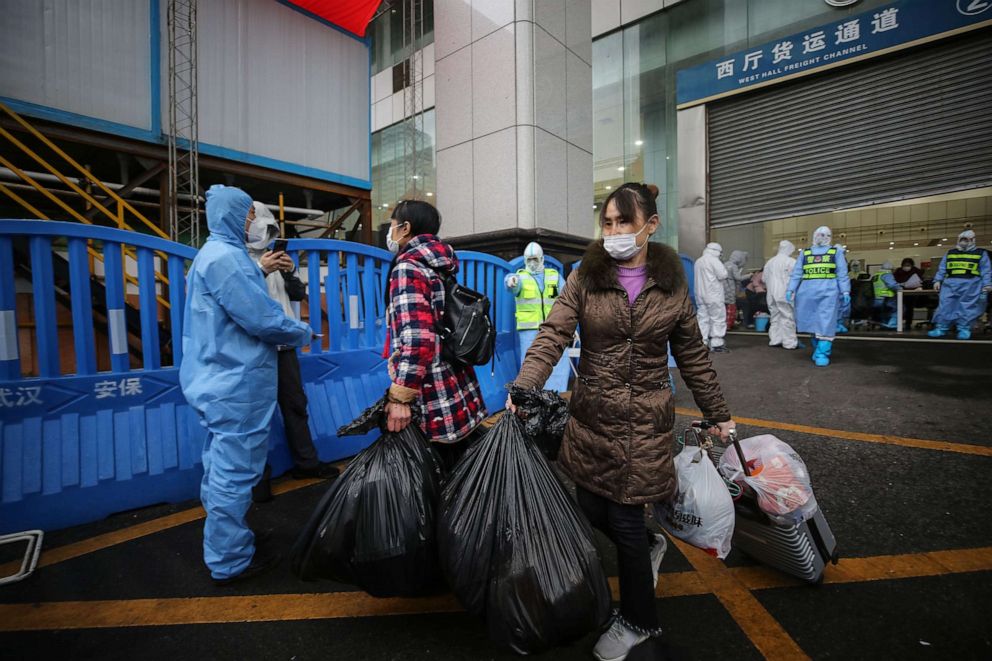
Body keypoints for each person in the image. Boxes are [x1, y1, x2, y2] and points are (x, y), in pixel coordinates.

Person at [508, 182, 736, 661]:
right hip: (591, 417)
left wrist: (719, 415)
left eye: (623, 223)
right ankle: (654, 545)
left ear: (649, 226)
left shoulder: (672, 285)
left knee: (626, 522)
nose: (612, 232)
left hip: (644, 423)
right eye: (607, 222)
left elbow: (692, 353)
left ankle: (640, 623)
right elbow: (553, 332)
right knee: (589, 510)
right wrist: (527, 385)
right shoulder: (585, 277)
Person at [180, 185, 312, 585]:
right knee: (234, 471)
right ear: (235, 216)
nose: (255, 223)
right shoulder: (227, 259)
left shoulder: (215, 255)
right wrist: (301, 331)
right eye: (251, 215)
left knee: (222, 466)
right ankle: (229, 559)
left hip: (218, 379)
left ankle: (232, 540)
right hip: (234, 382)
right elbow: (262, 319)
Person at [382, 199, 487, 470]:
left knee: (432, 477)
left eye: (392, 225)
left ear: (405, 228)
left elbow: (418, 339)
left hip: (431, 391)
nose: (390, 231)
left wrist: (400, 396)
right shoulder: (441, 265)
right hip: (458, 383)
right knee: (460, 472)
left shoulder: (409, 268)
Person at [245, 202, 340, 492]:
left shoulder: (275, 255)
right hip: (254, 347)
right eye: (250, 216)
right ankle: (257, 479)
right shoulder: (234, 258)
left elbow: (298, 295)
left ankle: (306, 464)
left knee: (295, 405)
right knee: (254, 414)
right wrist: (261, 269)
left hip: (284, 345)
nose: (257, 224)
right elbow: (240, 294)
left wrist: (287, 272)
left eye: (259, 218)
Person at [504, 241, 571, 391]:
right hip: (529, 331)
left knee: (557, 360)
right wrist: (510, 282)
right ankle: (533, 396)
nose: (532, 263)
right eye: (529, 260)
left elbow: (568, 296)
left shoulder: (554, 276)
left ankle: (558, 393)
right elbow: (510, 283)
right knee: (531, 365)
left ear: (542, 259)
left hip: (554, 328)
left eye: (535, 259)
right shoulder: (520, 277)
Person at [786, 226, 850, 367]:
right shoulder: (805, 253)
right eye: (819, 234)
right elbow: (796, 273)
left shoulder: (836, 252)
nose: (822, 237)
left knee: (826, 323)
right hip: (806, 293)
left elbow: (842, 273)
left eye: (825, 234)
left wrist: (845, 291)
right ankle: (818, 348)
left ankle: (822, 352)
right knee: (811, 323)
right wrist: (791, 289)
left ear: (830, 236)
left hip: (829, 293)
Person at [927, 230, 992, 340]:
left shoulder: (981, 253)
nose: (963, 242)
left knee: (967, 307)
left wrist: (987, 284)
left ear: (972, 240)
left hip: (971, 284)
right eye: (962, 240)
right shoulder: (951, 252)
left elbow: (986, 270)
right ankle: (941, 328)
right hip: (950, 284)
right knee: (945, 306)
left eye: (966, 240)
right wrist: (937, 280)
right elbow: (943, 268)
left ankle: (964, 328)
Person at [762, 240, 799, 350]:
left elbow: (764, 279)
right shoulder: (791, 261)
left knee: (775, 316)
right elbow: (797, 277)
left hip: (771, 294)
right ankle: (789, 342)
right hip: (784, 293)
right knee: (787, 316)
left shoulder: (769, 262)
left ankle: (775, 339)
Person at [694, 242, 729, 352]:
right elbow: (723, 275)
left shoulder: (698, 261)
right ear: (716, 251)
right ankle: (716, 343)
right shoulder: (714, 260)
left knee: (702, 318)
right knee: (717, 318)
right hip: (714, 295)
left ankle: (702, 342)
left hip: (700, 295)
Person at [893, 258, 925, 327]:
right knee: (900, 307)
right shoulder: (898, 271)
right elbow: (895, 281)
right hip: (901, 292)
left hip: (912, 292)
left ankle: (908, 323)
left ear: (912, 265)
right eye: (905, 265)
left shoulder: (916, 271)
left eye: (908, 265)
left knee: (909, 308)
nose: (906, 267)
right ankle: (898, 322)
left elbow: (922, 280)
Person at [871, 261, 902, 330]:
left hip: (875, 299)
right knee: (899, 308)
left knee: (883, 311)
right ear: (891, 269)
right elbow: (892, 285)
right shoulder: (887, 274)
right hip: (886, 297)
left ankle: (884, 323)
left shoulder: (876, 275)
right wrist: (901, 288)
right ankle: (892, 324)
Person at [723, 250, 748, 330]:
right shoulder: (733, 266)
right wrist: (749, 275)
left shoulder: (725, 264)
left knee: (724, 308)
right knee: (731, 307)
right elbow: (738, 278)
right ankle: (729, 324)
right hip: (730, 289)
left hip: (723, 289)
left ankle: (724, 324)